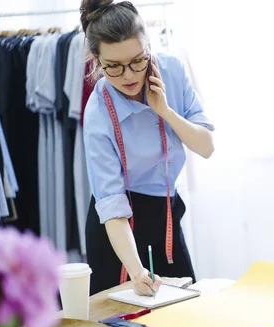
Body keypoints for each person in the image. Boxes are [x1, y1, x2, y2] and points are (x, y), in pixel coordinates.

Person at [79, 0, 215, 296]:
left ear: (149, 46)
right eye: (113, 67)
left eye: (138, 60)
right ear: (96, 60)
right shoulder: (98, 110)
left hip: (165, 210)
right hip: (117, 228)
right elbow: (113, 206)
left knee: (186, 308)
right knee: (121, 326)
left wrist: (165, 111)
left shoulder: (172, 71)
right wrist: (137, 270)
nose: (128, 76)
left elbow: (206, 147)